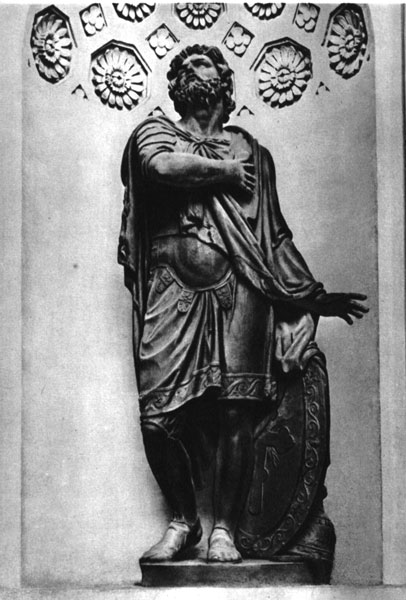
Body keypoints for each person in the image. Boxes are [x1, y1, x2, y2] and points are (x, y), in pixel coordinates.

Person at [118, 44, 368, 564]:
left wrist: (311, 296)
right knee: (157, 418)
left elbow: (273, 238)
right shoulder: (155, 131)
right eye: (184, 66)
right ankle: (183, 520)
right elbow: (159, 168)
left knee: (238, 412)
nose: (193, 68)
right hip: (172, 289)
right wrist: (226, 174)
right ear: (175, 87)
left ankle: (224, 532)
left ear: (224, 83)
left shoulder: (252, 152)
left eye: (204, 63)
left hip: (243, 287)